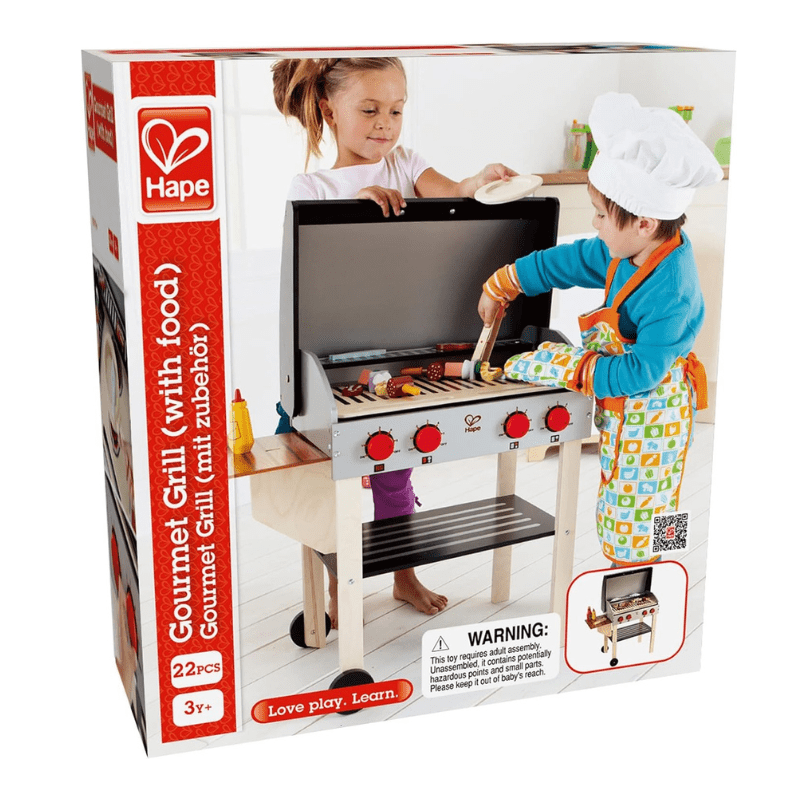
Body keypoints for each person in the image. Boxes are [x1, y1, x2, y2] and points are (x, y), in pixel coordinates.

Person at [273, 56, 517, 623]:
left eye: (397, 110)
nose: (385, 123)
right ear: (329, 110)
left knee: (397, 472)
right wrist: (356, 211)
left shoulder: (406, 164)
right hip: (330, 361)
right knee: (330, 482)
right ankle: (339, 589)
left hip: (396, 353)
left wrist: (479, 181)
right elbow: (314, 271)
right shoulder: (312, 187)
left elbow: (455, 192)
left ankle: (404, 575)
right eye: (369, 109)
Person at [478, 92, 722, 566]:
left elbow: (639, 373)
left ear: (644, 222)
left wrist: (574, 368)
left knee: (646, 513)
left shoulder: (671, 291)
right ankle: (636, 577)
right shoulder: (630, 247)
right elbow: (569, 261)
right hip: (627, 412)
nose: (594, 224)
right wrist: (506, 280)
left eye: (600, 214)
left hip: (656, 416)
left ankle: (647, 583)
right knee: (618, 506)